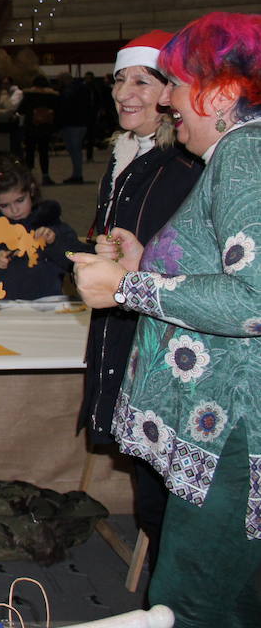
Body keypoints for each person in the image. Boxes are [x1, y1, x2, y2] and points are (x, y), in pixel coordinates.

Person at [70, 12, 261, 628]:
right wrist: (144, 260)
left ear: (221, 91)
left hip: (233, 436)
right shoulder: (233, 155)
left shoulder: (243, 156)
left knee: (197, 610)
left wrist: (127, 289)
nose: (170, 100)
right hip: (224, 432)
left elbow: (254, 297)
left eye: (175, 84)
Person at [78, 30, 203, 568]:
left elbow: (196, 266)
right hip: (125, 327)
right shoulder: (125, 156)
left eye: (141, 81)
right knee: (150, 486)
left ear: (171, 93)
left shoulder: (188, 167)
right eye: (119, 80)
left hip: (162, 347)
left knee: (166, 496)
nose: (124, 92)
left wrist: (133, 266)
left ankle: (178, 614)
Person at [0, 155, 87, 300]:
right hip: (4, 309)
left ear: (32, 191)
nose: (15, 210)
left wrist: (55, 242)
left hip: (48, 307)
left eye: (20, 200)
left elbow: (81, 264)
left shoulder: (48, 220)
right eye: (5, 206)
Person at [19, 74, 59, 186]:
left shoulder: (29, 95)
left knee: (30, 151)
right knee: (44, 152)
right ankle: (45, 175)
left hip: (31, 127)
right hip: (45, 128)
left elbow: (21, 109)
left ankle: (29, 176)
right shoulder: (52, 96)